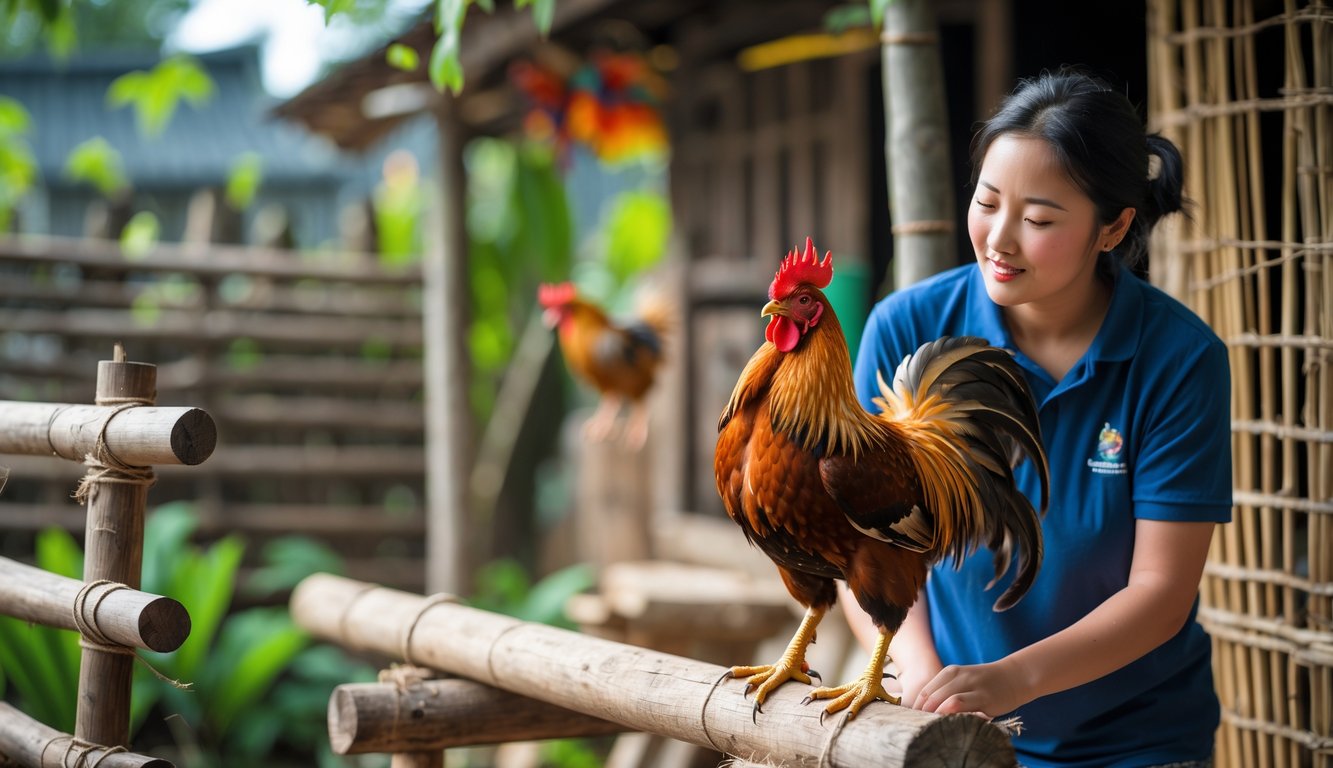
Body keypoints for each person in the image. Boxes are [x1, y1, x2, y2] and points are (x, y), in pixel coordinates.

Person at [846, 68, 1232, 767]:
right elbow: (863, 547)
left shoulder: (1179, 358)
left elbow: (1160, 592)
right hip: (949, 726)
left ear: (1113, 227)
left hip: (1137, 741)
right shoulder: (906, 329)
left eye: (1038, 220)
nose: (999, 238)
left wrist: (1010, 680)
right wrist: (918, 675)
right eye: (986, 201)